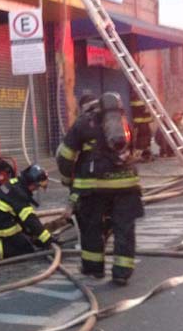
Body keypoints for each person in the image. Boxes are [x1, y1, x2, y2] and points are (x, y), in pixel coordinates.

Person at [56, 91, 144, 286]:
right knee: (125, 229)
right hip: (127, 185)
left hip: (94, 187)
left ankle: (94, 269)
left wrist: (67, 180)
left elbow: (65, 157)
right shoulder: (122, 122)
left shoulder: (82, 123)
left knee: (91, 227)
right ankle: (122, 272)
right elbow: (133, 150)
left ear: (84, 107)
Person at [0, 164, 53, 261]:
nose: (37, 189)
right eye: (37, 186)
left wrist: (35, 237)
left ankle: (12, 241)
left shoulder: (16, 183)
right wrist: (47, 239)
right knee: (26, 249)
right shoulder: (20, 194)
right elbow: (30, 219)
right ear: (32, 183)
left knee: (27, 235)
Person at [130, 86, 154, 161]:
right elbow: (138, 106)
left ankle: (145, 154)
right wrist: (147, 107)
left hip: (144, 121)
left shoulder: (142, 94)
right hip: (140, 121)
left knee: (147, 136)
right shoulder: (136, 95)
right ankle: (140, 155)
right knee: (142, 138)